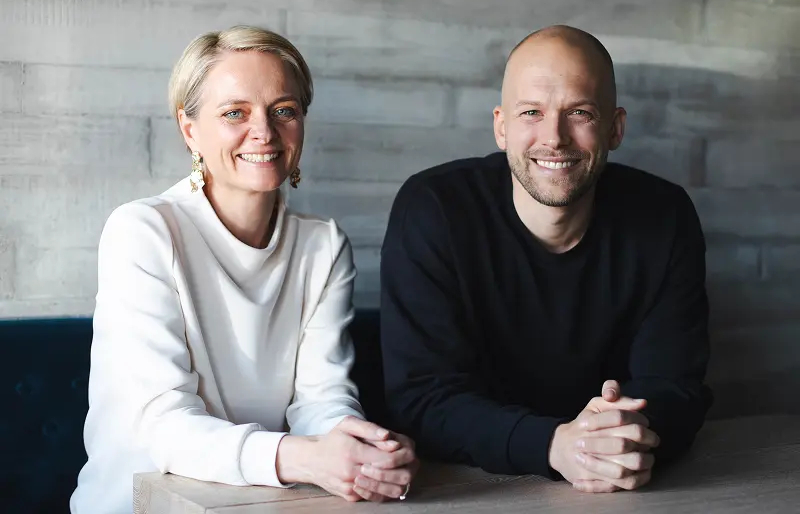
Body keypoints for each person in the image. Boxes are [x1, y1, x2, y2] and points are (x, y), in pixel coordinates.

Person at [71, 25, 417, 513]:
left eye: (284, 110)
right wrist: (307, 460)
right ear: (190, 129)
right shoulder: (143, 231)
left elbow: (320, 400)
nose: (265, 132)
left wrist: (361, 447)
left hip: (261, 504)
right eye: (235, 112)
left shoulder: (323, 244)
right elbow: (165, 428)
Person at [379, 25, 712, 493]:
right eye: (531, 112)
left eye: (579, 112)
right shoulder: (434, 209)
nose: (553, 137)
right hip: (466, 489)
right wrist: (556, 445)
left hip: (616, 487)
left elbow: (676, 388)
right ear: (501, 126)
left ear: (615, 128)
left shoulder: (665, 216)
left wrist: (619, 433)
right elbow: (421, 397)